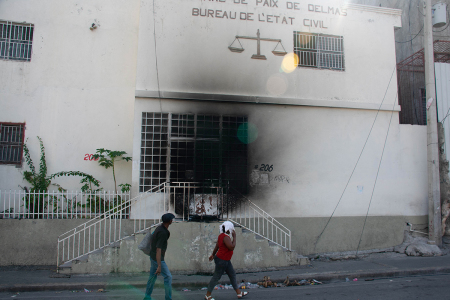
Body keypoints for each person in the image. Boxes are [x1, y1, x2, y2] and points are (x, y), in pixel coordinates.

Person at [205, 221, 249, 300]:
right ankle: (208, 295)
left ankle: (239, 293)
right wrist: (235, 237)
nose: (232, 231)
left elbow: (217, 246)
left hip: (225, 260)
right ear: (228, 229)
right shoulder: (225, 237)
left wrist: (213, 254)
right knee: (216, 277)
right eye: (231, 229)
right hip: (222, 260)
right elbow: (231, 247)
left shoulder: (222, 236)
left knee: (232, 275)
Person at [144, 213, 175, 300]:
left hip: (153, 256)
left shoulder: (160, 228)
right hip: (157, 258)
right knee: (168, 277)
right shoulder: (163, 233)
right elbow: (158, 249)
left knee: (152, 278)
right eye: (171, 219)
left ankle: (147, 297)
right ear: (170, 221)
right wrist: (159, 266)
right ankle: (168, 298)